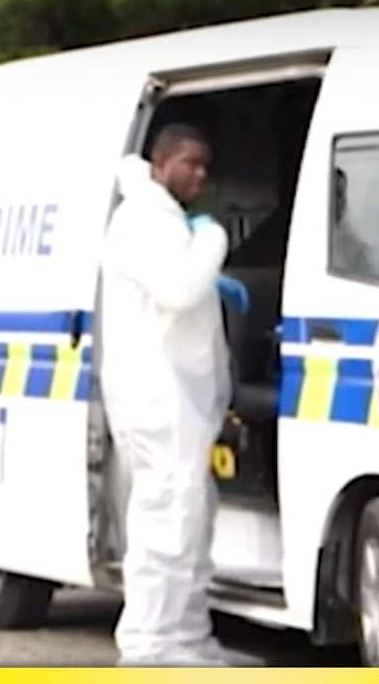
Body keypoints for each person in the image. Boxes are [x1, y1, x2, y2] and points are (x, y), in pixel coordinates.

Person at [99, 123, 251, 667]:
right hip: (157, 402)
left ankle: (187, 637)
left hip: (178, 405)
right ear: (160, 161)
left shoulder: (163, 220)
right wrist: (212, 240)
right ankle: (151, 645)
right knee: (165, 523)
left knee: (190, 520)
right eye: (190, 162)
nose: (199, 174)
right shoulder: (143, 219)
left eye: (205, 165)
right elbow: (181, 289)